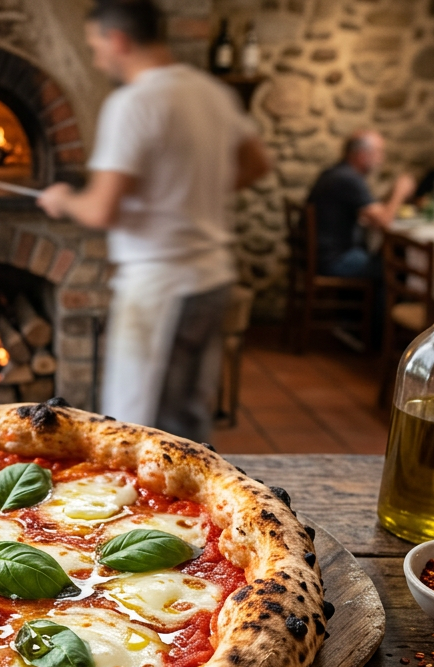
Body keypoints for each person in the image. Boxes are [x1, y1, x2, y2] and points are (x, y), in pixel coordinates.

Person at [37, 0, 271, 442]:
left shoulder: (133, 103)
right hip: (213, 279)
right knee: (190, 415)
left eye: (95, 46)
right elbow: (258, 164)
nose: (96, 58)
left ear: (118, 39)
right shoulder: (211, 92)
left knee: (142, 426)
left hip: (163, 286)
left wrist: (64, 199)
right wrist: (188, 197)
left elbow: (101, 209)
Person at [307, 131, 414, 280]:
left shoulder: (336, 172)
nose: (381, 159)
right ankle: (381, 304)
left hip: (320, 255)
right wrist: (399, 192)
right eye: (379, 152)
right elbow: (384, 221)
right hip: (333, 259)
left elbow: (370, 213)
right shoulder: (348, 179)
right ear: (362, 154)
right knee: (393, 267)